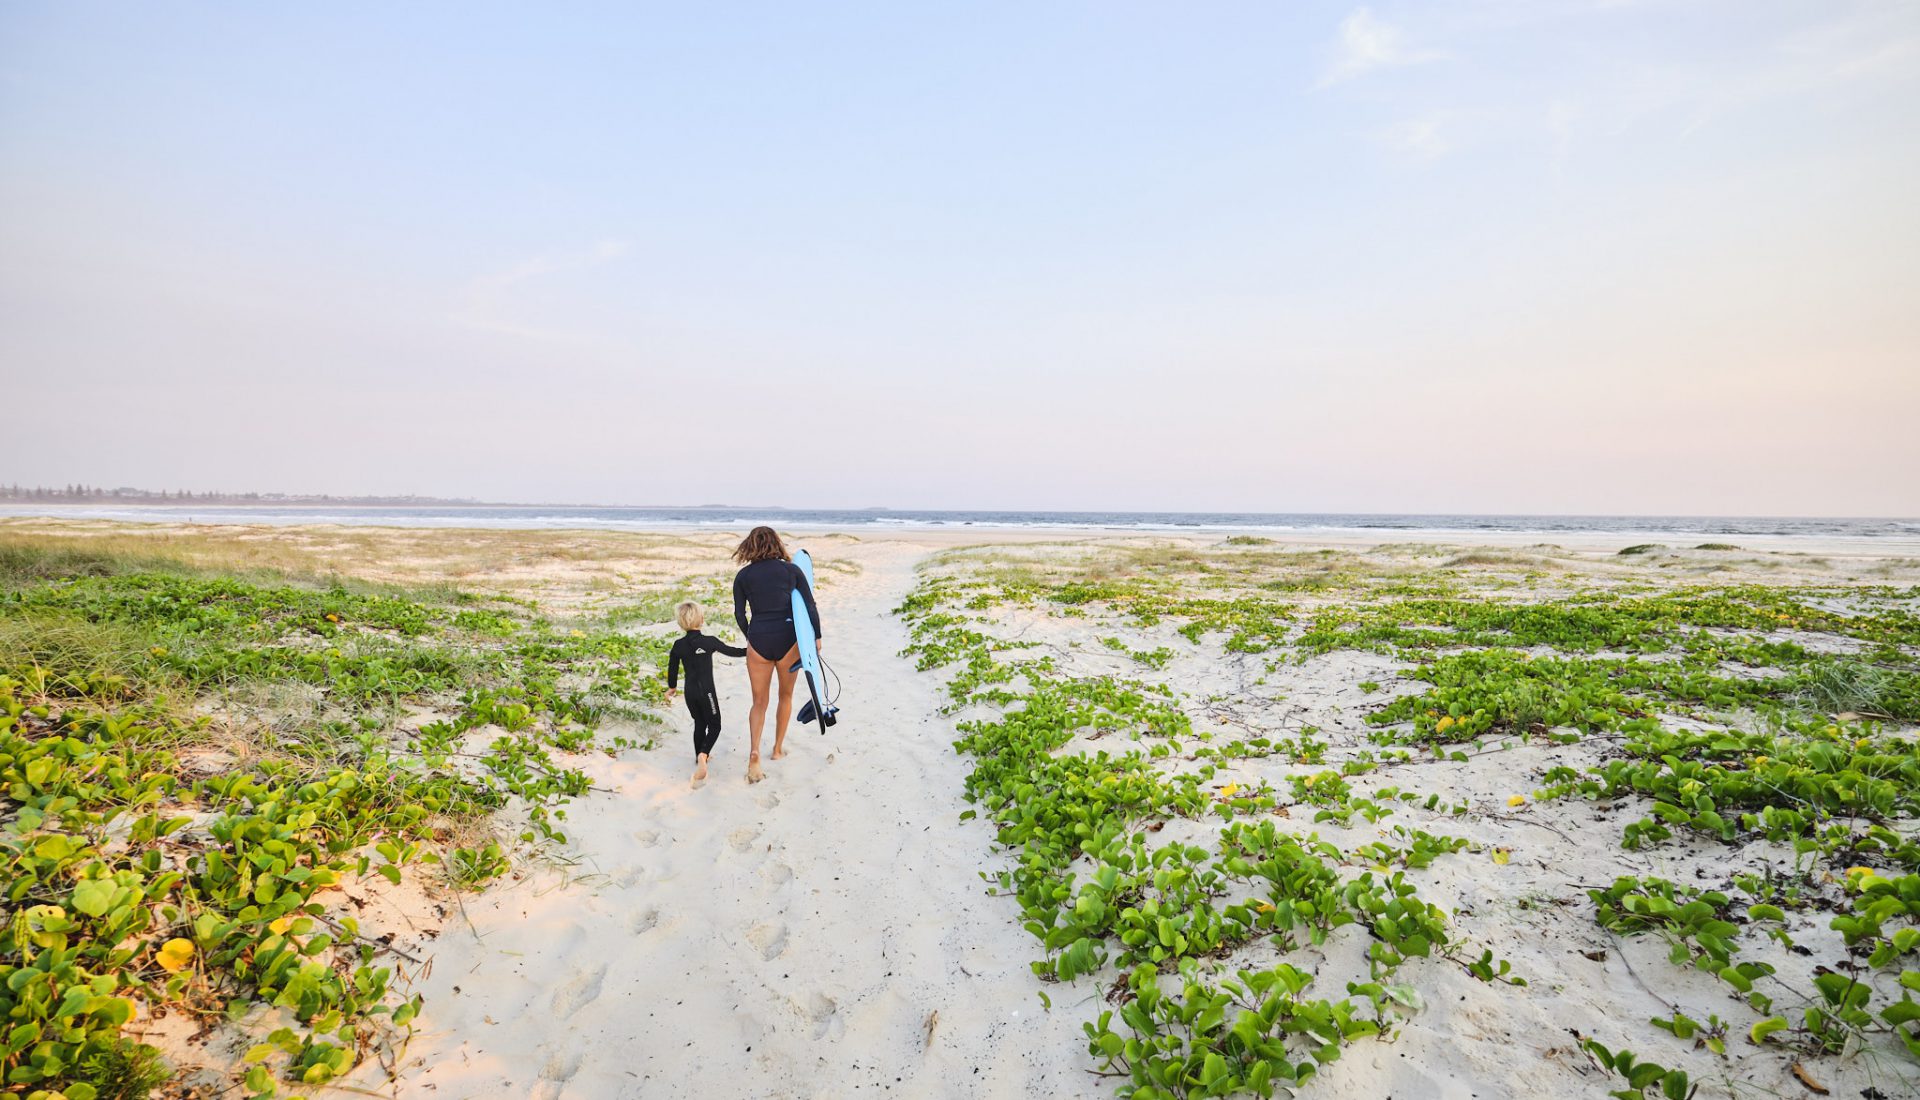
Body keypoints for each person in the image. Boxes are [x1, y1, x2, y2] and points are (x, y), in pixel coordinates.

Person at [731, 526, 822, 783]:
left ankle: (754, 751)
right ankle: (778, 749)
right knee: (786, 695)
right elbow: (809, 605)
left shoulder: (743, 576)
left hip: (759, 639)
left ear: (750, 546)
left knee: (759, 702)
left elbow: (740, 614)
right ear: (777, 544)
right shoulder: (791, 570)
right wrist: (816, 637)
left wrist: (750, 636)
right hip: (787, 639)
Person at [665, 600, 746, 786]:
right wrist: (750, 651)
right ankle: (704, 754)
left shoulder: (678, 645)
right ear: (701, 620)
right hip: (707, 692)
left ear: (681, 623)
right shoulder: (709, 642)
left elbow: (672, 669)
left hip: (689, 693)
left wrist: (672, 687)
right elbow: (732, 651)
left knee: (699, 723)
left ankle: (698, 757)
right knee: (715, 725)